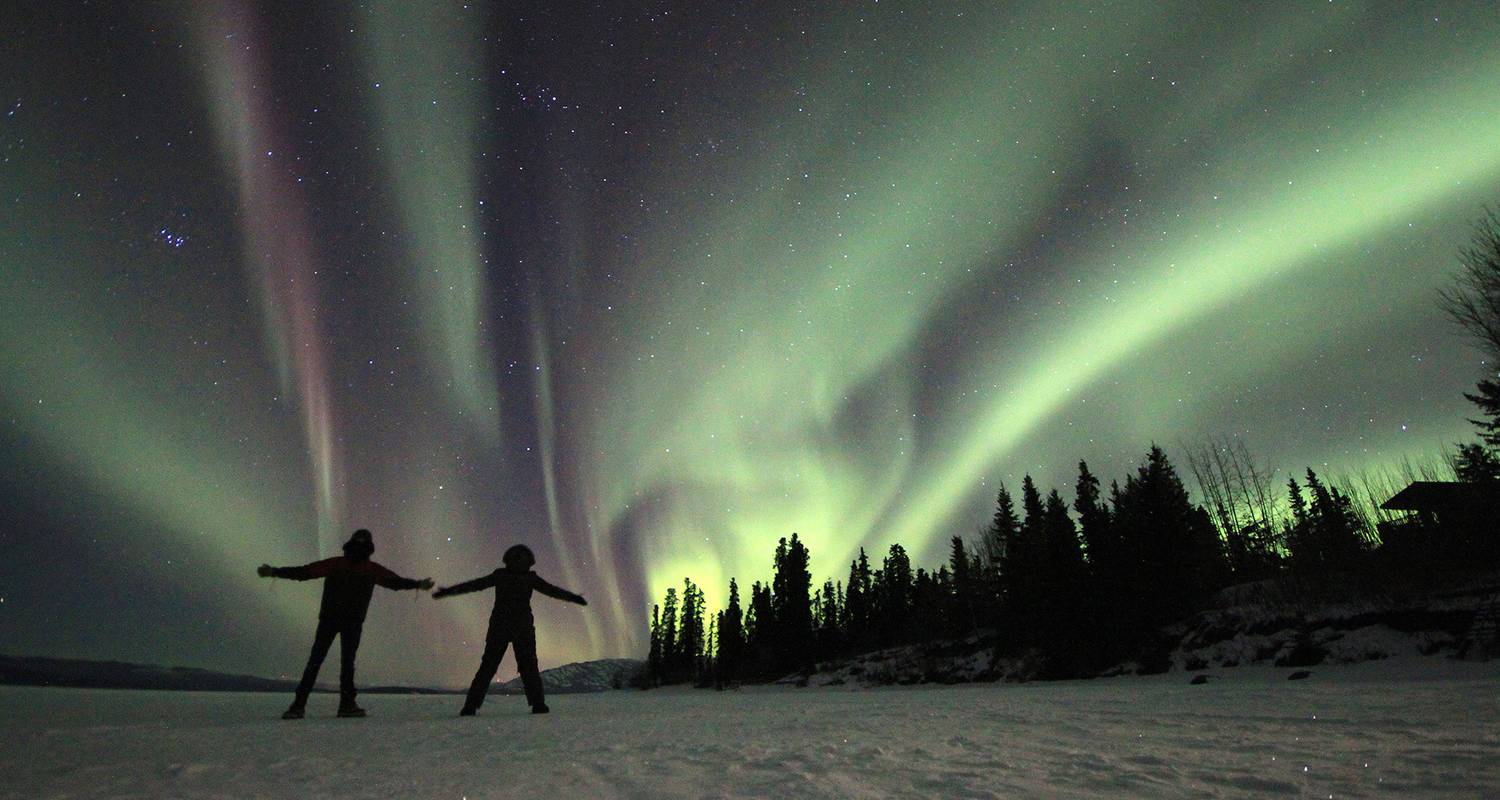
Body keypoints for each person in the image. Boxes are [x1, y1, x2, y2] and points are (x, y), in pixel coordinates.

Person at [257, 529, 433, 719]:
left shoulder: (340, 564)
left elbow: (305, 572)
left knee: (318, 661)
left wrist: (274, 571)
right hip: (348, 621)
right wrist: (418, 584)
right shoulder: (368, 569)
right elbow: (395, 583)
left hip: (334, 619)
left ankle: (300, 706)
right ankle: (343, 705)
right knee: (342, 663)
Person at [433, 544, 587, 715]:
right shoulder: (516, 577)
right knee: (515, 667)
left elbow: (475, 585)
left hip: (510, 628)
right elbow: (552, 591)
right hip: (514, 628)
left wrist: (448, 591)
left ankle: (473, 706)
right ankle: (535, 704)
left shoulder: (512, 577)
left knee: (497, 667)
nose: (521, 563)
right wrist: (574, 598)